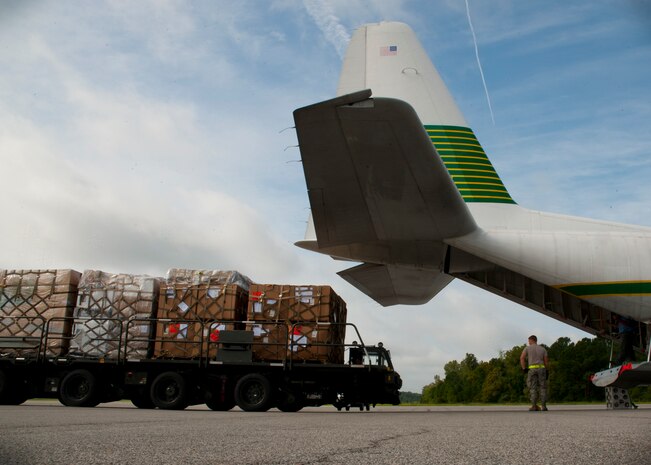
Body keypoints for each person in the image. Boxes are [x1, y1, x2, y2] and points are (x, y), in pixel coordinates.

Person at [520, 335, 549, 411]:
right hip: (541, 369)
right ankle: (543, 406)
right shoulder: (543, 349)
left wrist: (524, 368)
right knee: (543, 387)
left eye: (529, 341)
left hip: (532, 370)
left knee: (533, 388)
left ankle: (534, 406)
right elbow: (546, 361)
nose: (528, 342)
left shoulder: (527, 348)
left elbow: (522, 358)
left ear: (532, 340)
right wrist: (546, 370)